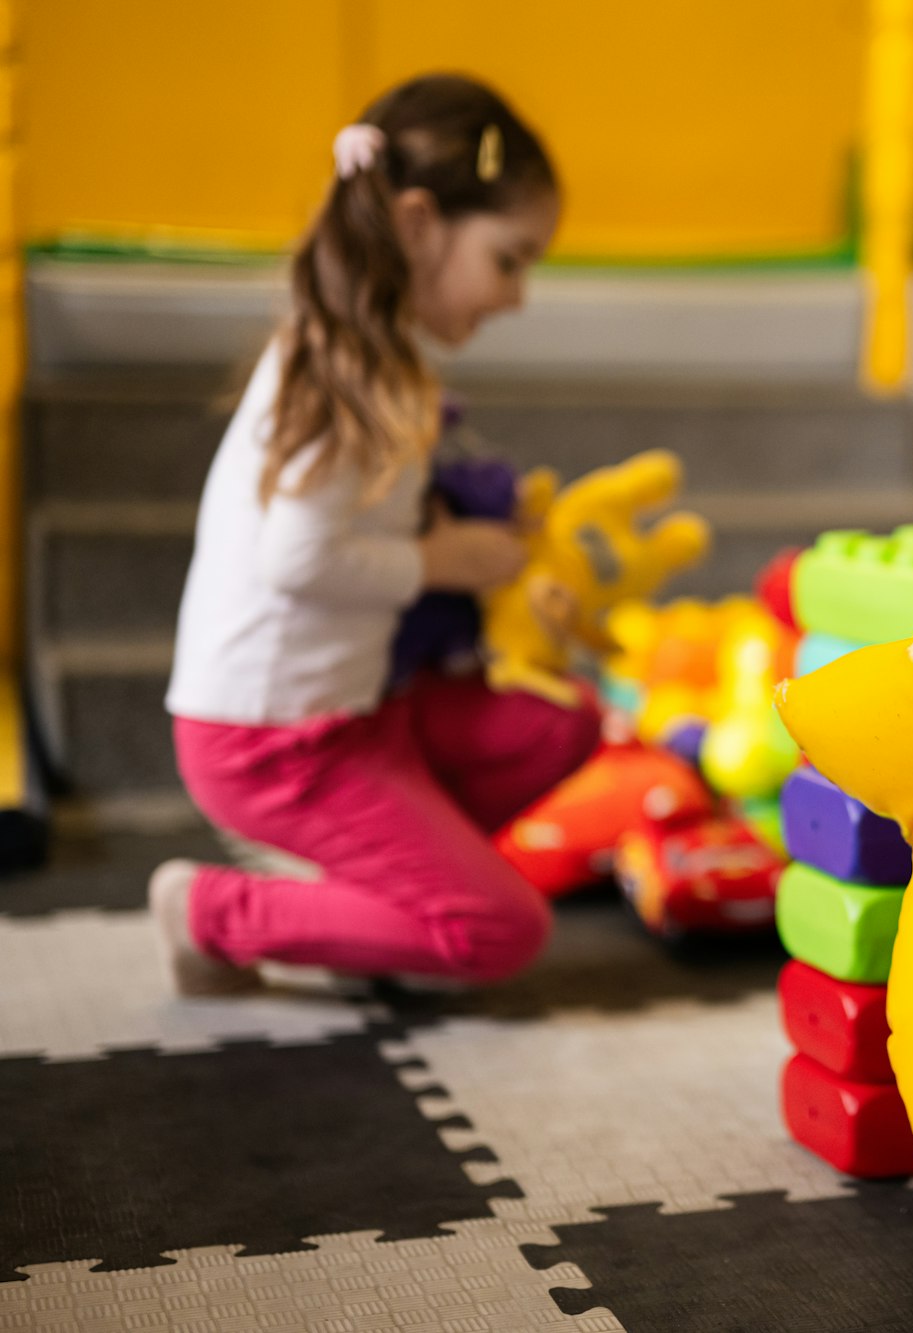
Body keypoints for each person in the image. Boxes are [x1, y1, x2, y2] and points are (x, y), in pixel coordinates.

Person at [151, 75, 599, 997]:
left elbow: (360, 522)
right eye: (510, 260)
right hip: (273, 741)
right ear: (418, 224)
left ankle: (373, 905)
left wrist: (467, 534)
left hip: (358, 712)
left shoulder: (379, 360)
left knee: (566, 722)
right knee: (499, 930)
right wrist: (445, 559)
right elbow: (296, 556)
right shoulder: (339, 370)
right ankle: (207, 912)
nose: (516, 297)